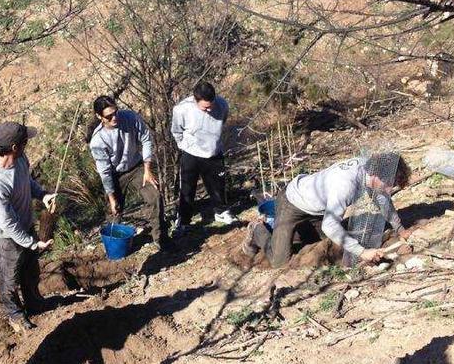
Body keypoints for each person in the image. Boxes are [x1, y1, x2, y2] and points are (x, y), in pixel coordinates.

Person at [242, 153, 413, 267]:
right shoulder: (346, 185)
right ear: (377, 176)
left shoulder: (371, 169)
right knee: (279, 261)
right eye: (390, 185)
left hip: (317, 208)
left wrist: (400, 229)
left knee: (322, 241)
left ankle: (286, 233)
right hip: (292, 203)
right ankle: (258, 230)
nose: (390, 190)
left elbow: (382, 198)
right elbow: (330, 225)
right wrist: (362, 252)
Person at [0, 121, 57, 333]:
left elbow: (27, 182)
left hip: (24, 224)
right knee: (10, 276)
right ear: (14, 147)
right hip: (6, 236)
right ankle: (14, 314)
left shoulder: (20, 159)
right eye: (25, 141)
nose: (28, 144)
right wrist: (31, 243)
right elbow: (6, 223)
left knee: (30, 269)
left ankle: (34, 303)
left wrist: (43, 194)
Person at [87, 95, 170, 250]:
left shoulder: (130, 117)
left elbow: (146, 139)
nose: (114, 118)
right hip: (115, 174)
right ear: (99, 117)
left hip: (137, 166)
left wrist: (147, 169)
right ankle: (114, 245)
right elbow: (104, 172)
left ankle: (161, 239)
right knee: (115, 210)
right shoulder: (98, 140)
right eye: (109, 116)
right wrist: (112, 197)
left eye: (116, 112)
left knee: (154, 196)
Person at [171, 81, 237, 236]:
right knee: (187, 189)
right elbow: (176, 131)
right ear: (195, 100)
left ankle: (221, 211)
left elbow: (223, 121)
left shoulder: (222, 105)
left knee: (218, 185)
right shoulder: (182, 109)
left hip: (213, 152)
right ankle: (184, 221)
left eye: (210, 105)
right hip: (191, 153)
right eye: (205, 107)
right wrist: (184, 146)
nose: (209, 110)